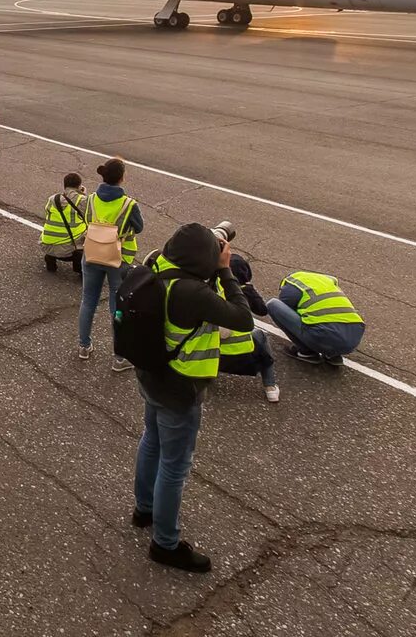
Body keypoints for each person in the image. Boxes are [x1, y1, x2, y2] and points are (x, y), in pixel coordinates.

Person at [132, 223, 254, 573]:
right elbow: (243, 318)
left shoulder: (155, 266)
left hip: (150, 376)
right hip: (180, 388)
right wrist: (225, 269)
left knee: (151, 441)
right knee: (175, 466)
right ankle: (165, 543)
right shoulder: (192, 293)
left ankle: (144, 510)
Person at [81, 157, 145, 370]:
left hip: (91, 254)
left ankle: (84, 346)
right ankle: (119, 357)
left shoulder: (90, 199)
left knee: (88, 300)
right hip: (118, 259)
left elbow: (86, 219)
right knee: (117, 308)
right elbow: (139, 227)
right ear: (122, 177)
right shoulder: (128, 204)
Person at [267, 270, 365, 366]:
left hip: (324, 335)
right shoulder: (328, 284)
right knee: (329, 316)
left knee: (273, 305)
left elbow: (287, 313)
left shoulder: (291, 285)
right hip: (353, 339)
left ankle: (306, 352)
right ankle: (333, 355)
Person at [218, 251, 280, 402]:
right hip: (245, 357)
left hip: (216, 356)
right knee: (261, 336)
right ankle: (270, 387)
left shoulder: (214, 288)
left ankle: (205, 377)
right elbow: (262, 310)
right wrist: (250, 290)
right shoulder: (244, 291)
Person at [41, 172, 90, 274]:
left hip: (47, 245)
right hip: (69, 251)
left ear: (64, 186)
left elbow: (47, 213)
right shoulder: (82, 200)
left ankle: (50, 259)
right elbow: (89, 217)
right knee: (90, 232)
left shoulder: (53, 199)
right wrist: (84, 194)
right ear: (79, 186)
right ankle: (79, 267)